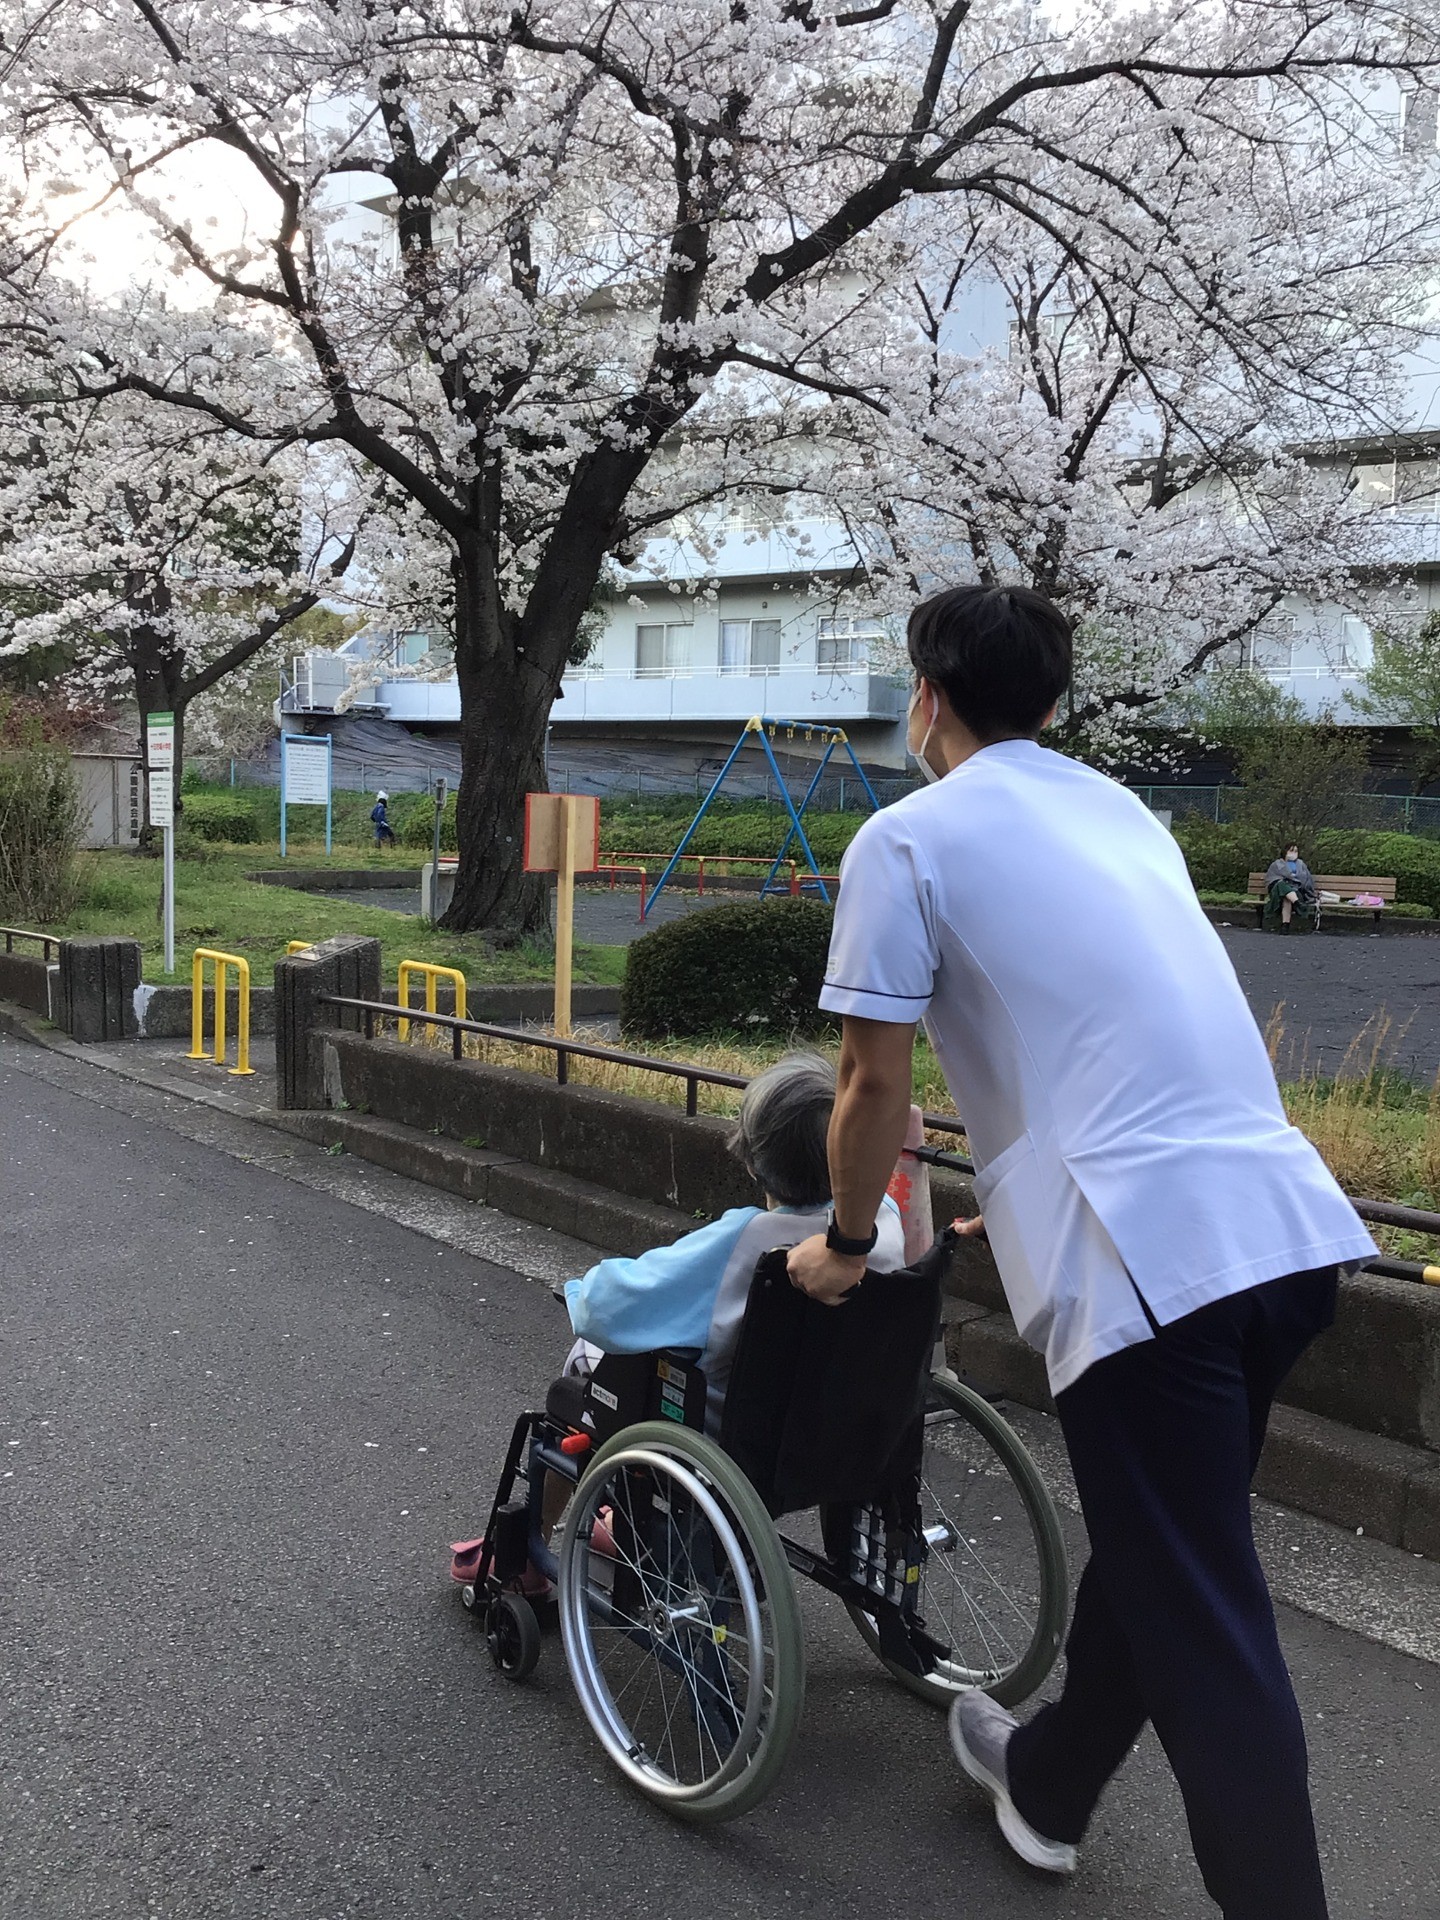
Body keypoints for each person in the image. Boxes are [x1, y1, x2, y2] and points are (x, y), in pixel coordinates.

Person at [786, 584, 1375, 1920]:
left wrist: (844, 1240)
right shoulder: (1122, 812)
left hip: (1151, 1263)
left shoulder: (905, 838)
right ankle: (1048, 1784)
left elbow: (872, 1088)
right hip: (1280, 1229)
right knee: (1171, 1545)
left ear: (925, 695)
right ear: (1052, 704)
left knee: (1209, 1630)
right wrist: (1031, 1196)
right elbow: (1123, 1031)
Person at [449, 1053, 907, 1589]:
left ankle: (532, 1549)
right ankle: (638, 1526)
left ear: (754, 1162)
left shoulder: (745, 1243)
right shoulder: (880, 1223)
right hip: (847, 1422)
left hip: (734, 1432)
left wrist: (581, 1289)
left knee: (587, 1368)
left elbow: (608, 1308)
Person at [1264, 844, 1318, 933]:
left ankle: (1285, 925)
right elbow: (1271, 879)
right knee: (1281, 884)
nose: (1294, 853)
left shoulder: (1301, 864)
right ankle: (1298, 904)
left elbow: (1307, 879)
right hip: (1278, 891)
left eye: (1296, 851)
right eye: (1291, 851)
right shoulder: (1277, 864)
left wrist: (1296, 881)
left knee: (1287, 897)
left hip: (1296, 889)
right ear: (1285, 852)